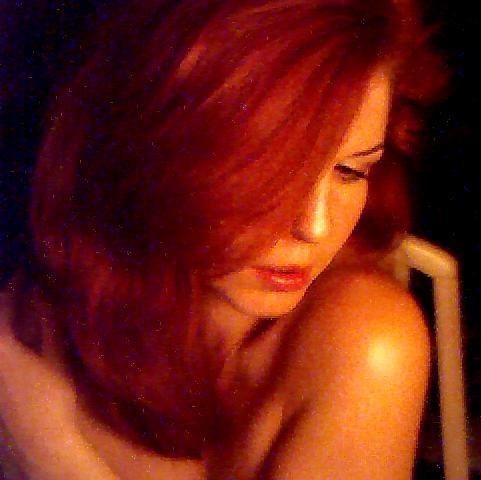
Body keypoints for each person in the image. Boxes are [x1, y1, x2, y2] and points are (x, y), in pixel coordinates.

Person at [0, 0, 447, 478]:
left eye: (351, 170)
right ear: (150, 144)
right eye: (268, 167)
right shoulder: (47, 308)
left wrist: (49, 449)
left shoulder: (367, 345)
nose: (314, 227)